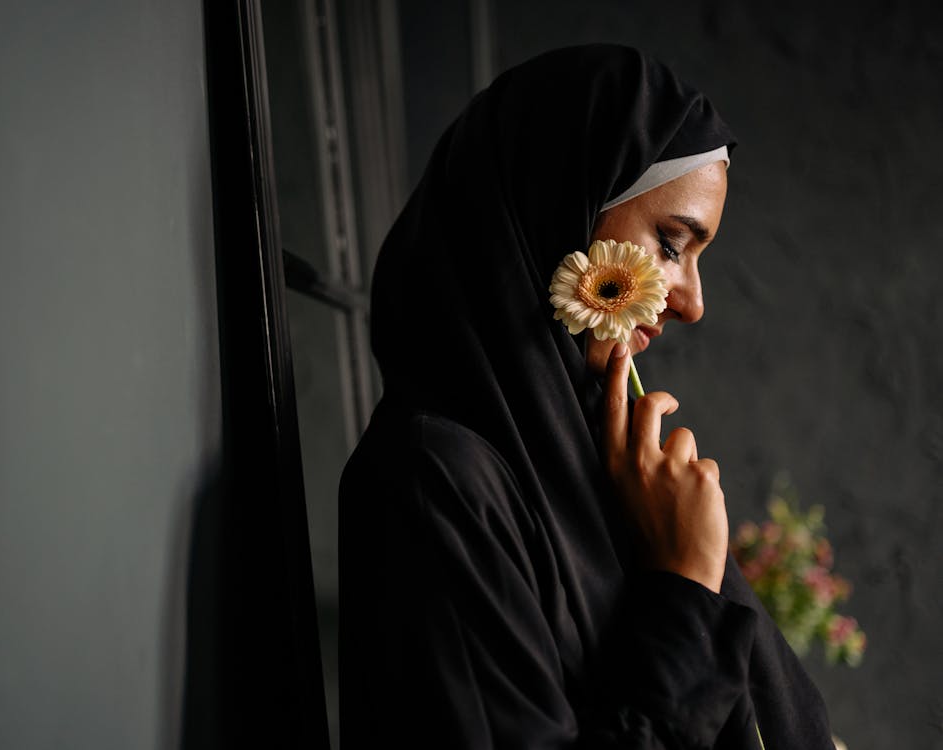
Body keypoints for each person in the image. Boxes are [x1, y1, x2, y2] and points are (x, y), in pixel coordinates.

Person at [339, 45, 834, 749]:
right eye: (669, 243)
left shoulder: (602, 479)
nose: (691, 302)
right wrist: (685, 587)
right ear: (554, 212)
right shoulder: (432, 483)